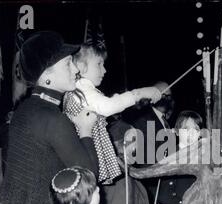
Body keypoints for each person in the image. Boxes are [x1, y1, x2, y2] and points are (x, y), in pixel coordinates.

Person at [0, 31, 99, 204]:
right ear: (47, 75)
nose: (76, 68)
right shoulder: (53, 118)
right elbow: (89, 175)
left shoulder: (25, 110)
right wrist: (86, 131)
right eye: (68, 63)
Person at [63, 44, 162, 184]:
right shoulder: (82, 88)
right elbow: (108, 106)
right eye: (99, 64)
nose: (104, 70)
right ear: (80, 66)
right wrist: (140, 93)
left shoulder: (81, 90)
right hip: (85, 157)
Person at [126, 81, 175, 204]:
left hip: (164, 190)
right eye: (162, 94)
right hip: (151, 190)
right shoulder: (143, 120)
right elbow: (139, 159)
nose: (166, 98)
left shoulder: (165, 122)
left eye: (169, 95)